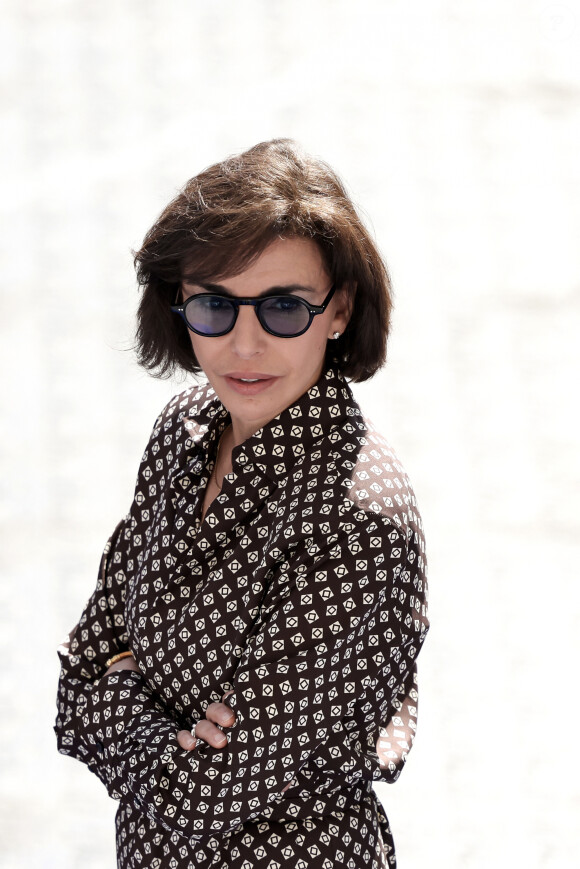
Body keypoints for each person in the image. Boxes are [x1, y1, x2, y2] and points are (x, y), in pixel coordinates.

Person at [54, 138, 429, 869]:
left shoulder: (356, 517)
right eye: (215, 305)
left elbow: (209, 794)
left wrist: (127, 694)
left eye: (284, 307)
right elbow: (77, 684)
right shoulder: (184, 431)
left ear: (339, 310)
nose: (245, 343)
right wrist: (156, 730)